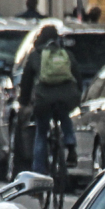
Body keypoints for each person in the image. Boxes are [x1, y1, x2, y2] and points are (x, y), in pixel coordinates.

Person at [30, 37, 80, 174]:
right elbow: (77, 75)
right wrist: (78, 95)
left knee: (41, 133)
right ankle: (70, 146)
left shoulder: (35, 56)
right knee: (65, 116)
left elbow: (27, 81)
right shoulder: (66, 54)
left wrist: (25, 102)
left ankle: (39, 174)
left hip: (43, 100)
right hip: (65, 97)